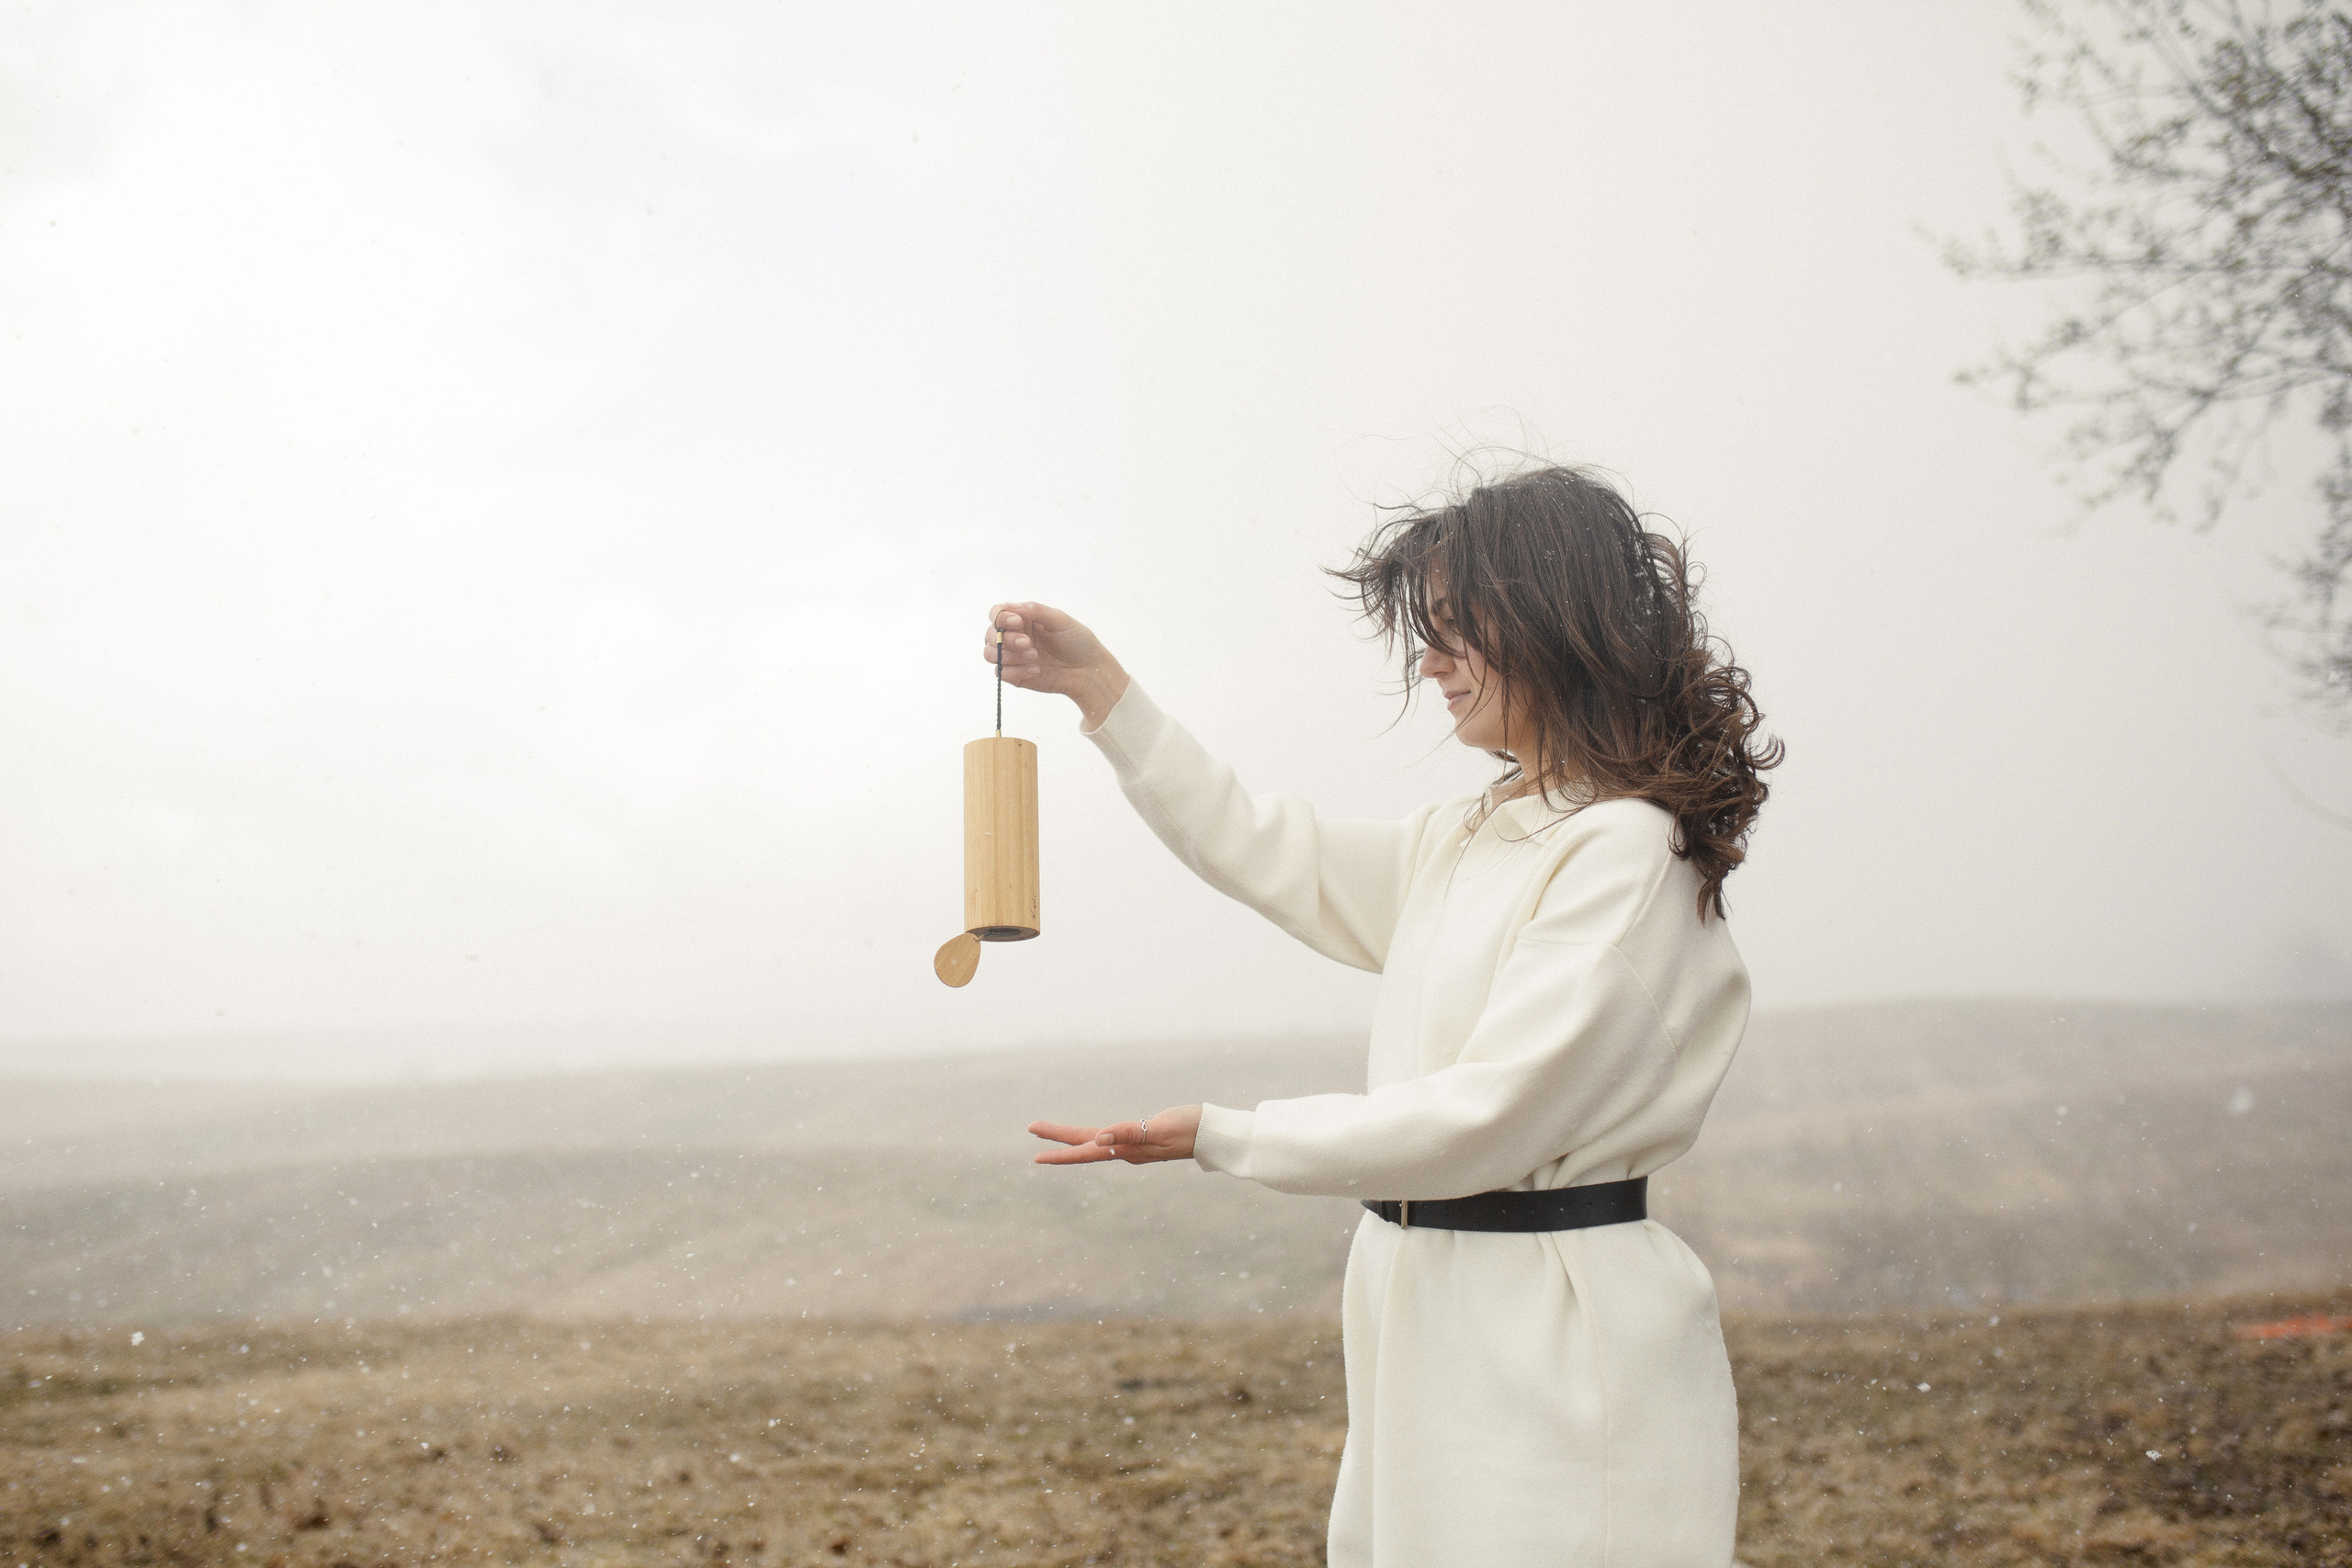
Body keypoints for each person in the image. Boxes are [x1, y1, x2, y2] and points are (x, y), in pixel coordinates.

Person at [994, 463, 1781, 1568]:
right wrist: (1105, 697)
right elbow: (1265, 848)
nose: (1429, 662)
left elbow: (1492, 1117)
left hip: (1558, 1332)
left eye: (1457, 631)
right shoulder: (1474, 834)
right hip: (1422, 1309)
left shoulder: (1622, 850)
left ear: (1559, 629)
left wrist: (1227, 1133)